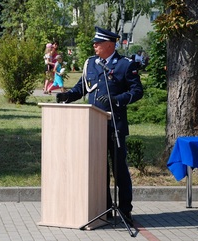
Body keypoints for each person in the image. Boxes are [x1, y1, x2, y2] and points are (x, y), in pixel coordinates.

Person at [56, 26, 143, 225]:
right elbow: (82, 87)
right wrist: (69, 95)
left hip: (115, 125)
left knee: (119, 169)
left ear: (110, 45)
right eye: (95, 43)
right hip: (92, 126)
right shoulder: (90, 64)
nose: (94, 45)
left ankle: (125, 210)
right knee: (97, 169)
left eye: (98, 43)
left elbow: (137, 91)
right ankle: (104, 208)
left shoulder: (124, 65)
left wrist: (117, 99)